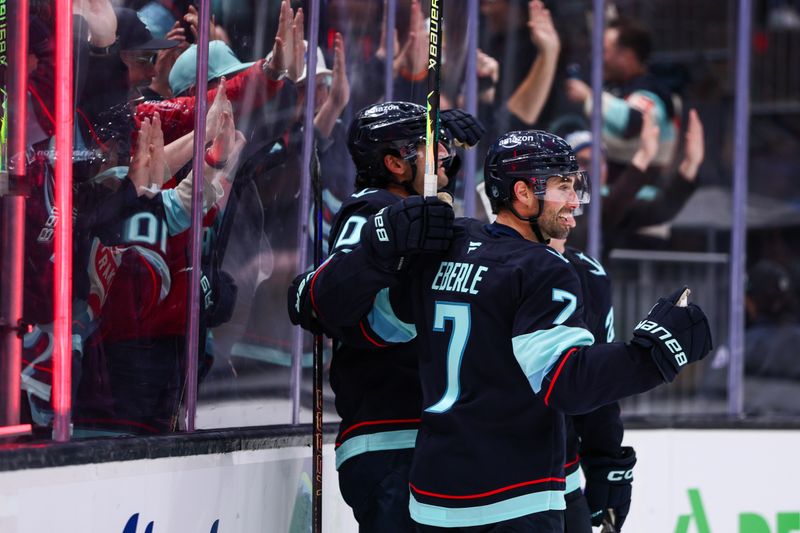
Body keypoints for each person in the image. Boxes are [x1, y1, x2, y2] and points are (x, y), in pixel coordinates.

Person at [299, 130, 713, 530]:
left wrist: (379, 250)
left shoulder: (446, 248)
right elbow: (566, 382)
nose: (575, 201)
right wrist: (654, 353)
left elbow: (371, 327)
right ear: (522, 193)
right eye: (563, 187)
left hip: (432, 502)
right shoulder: (543, 268)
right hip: (513, 501)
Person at [287, 100, 483, 531]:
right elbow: (341, 307)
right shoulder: (370, 210)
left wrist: (446, 141)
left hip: (425, 438)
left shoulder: (406, 202)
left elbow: (431, 202)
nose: (446, 153)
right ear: (395, 163)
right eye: (431, 146)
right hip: (388, 438)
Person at [548, 233, 634, 532]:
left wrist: (606, 461)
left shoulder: (587, 271)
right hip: (490, 487)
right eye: (562, 188)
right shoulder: (493, 261)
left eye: (574, 188)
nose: (573, 211)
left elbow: (597, 384)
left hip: (561, 484)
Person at [565, 17, 678, 185]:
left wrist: (589, 97)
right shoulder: (615, 87)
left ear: (627, 56)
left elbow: (632, 122)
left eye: (604, 51)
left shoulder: (652, 91)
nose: (597, 58)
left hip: (640, 193)